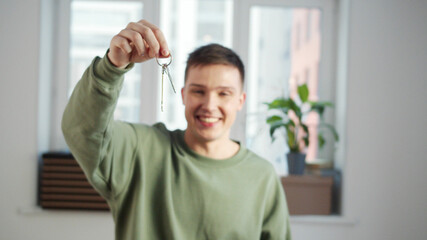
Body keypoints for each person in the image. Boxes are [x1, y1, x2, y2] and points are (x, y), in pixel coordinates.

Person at [62, 19, 291, 240]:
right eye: (198, 91)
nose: (210, 105)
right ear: (183, 95)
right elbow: (80, 129)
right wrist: (111, 67)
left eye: (224, 93)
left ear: (240, 101)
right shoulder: (139, 150)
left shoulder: (263, 177)